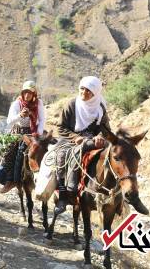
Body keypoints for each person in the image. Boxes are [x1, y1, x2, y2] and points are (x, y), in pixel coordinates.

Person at [54, 76, 111, 214]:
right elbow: (61, 127)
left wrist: (100, 137)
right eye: (82, 88)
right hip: (70, 139)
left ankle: (116, 191)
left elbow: (106, 130)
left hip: (91, 140)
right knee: (61, 156)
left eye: (89, 91)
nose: (84, 92)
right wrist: (76, 137)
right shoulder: (72, 104)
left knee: (114, 152)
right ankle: (63, 195)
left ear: (95, 93)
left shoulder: (100, 108)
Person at [0, 81, 46, 193]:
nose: (27, 95)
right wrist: (19, 116)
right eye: (25, 92)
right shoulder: (17, 103)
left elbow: (42, 119)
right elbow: (9, 120)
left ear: (34, 94)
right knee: (9, 152)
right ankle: (11, 180)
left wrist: (38, 134)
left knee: (47, 149)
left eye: (30, 93)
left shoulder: (38, 103)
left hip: (34, 132)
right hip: (19, 132)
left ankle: (46, 181)